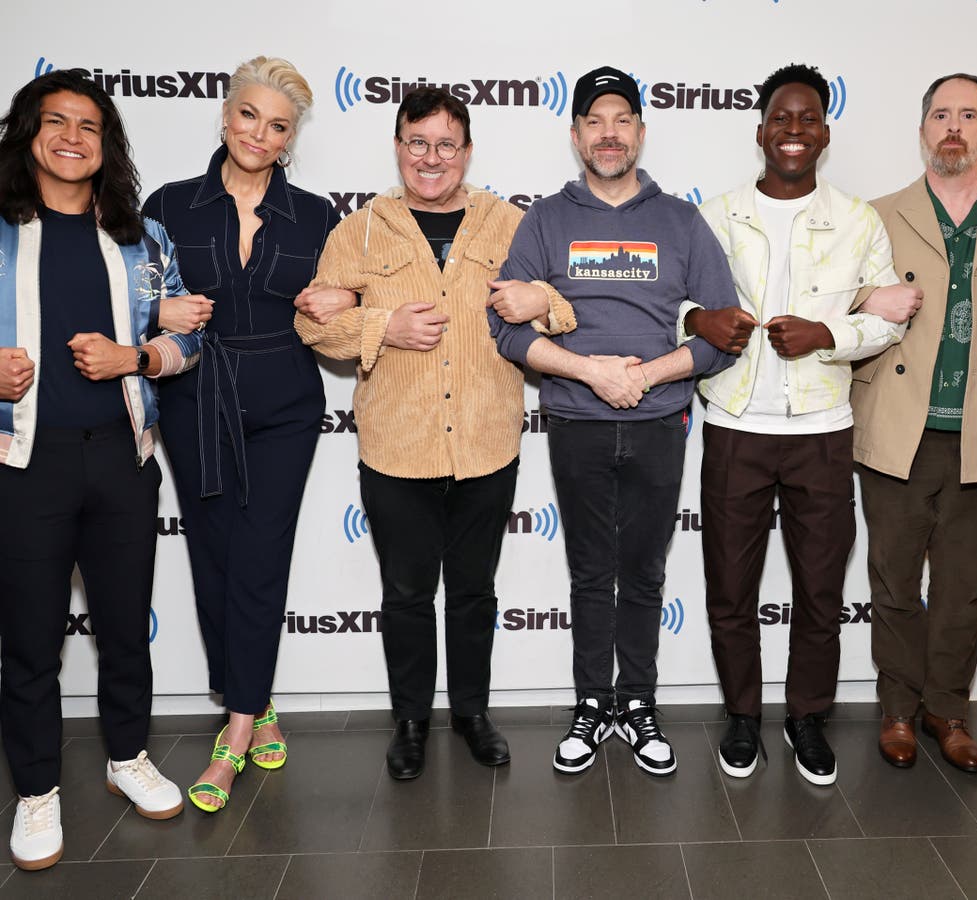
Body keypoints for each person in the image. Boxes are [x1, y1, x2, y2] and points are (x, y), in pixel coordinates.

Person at [296, 87, 575, 781]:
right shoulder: (358, 231)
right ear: (398, 147)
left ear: (467, 151)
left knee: (475, 593)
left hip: (486, 444)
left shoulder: (512, 225)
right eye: (417, 142)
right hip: (397, 448)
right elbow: (311, 322)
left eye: (445, 144)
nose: (431, 158)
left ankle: (473, 714)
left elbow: (566, 308)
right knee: (407, 596)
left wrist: (544, 299)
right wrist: (380, 326)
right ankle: (411, 722)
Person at [490, 66, 737, 777]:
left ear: (640, 132)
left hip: (661, 421)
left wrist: (644, 375)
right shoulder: (545, 220)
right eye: (594, 122)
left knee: (647, 571)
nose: (608, 134)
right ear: (575, 136)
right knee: (592, 572)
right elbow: (506, 329)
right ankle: (592, 705)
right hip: (576, 421)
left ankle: (639, 704)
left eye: (621, 119)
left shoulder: (682, 222)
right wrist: (593, 371)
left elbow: (721, 334)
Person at [682, 63, 920, 783]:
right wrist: (698, 318)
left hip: (820, 429)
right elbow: (672, 302)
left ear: (824, 131)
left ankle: (807, 719)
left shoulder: (857, 220)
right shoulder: (716, 214)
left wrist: (827, 335)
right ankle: (744, 718)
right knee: (731, 587)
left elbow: (885, 320)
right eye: (781, 119)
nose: (793, 131)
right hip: (734, 425)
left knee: (820, 591)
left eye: (807, 118)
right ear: (761, 131)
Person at [0, 69, 206, 869]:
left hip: (123, 461)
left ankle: (128, 759)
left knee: (126, 630)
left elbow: (187, 338)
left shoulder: (140, 237)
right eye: (56, 122)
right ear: (29, 134)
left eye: (89, 125)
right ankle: (38, 792)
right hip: (25, 464)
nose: (73, 137)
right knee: (29, 643)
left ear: (107, 143)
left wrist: (139, 355)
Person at [143, 57, 354, 812]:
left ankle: (232, 735)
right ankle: (255, 699)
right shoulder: (167, 205)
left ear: (291, 138)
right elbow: (127, 295)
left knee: (262, 555)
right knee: (214, 557)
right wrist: (157, 315)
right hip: (194, 395)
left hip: (286, 404)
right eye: (248, 116)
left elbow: (360, 296)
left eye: (278, 126)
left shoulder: (319, 215)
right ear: (225, 115)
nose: (259, 134)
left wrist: (346, 291)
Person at [850, 73, 977, 772]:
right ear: (923, 129)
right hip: (898, 431)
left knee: (963, 588)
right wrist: (867, 298)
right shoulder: (873, 215)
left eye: (968, 115)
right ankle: (899, 709)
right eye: (941, 114)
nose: (953, 126)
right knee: (895, 583)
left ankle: (947, 711)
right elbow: (836, 314)